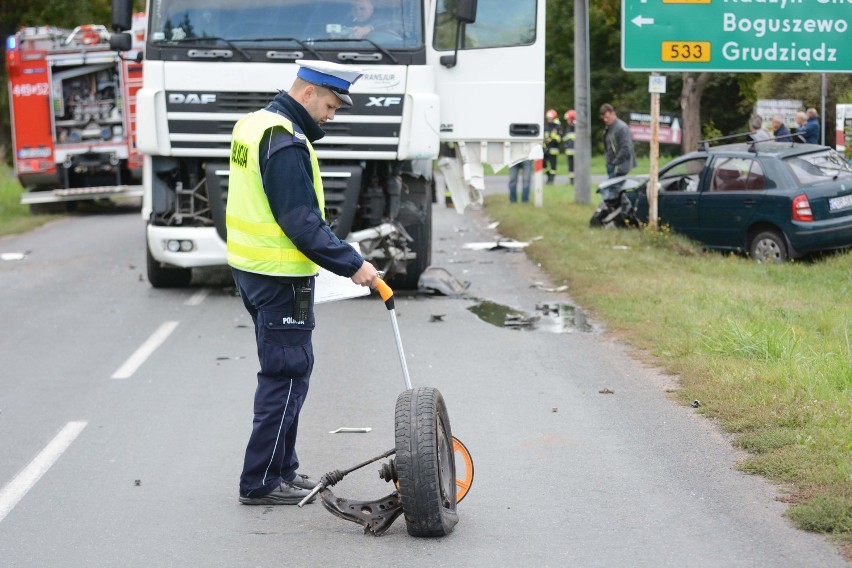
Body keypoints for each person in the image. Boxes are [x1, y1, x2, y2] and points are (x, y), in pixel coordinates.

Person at [227, 59, 380, 506]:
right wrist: (355, 265)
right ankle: (260, 482)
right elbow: (301, 223)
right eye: (330, 105)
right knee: (286, 376)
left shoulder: (254, 124)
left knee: (289, 371)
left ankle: (282, 469)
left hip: (252, 270)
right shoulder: (286, 143)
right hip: (279, 278)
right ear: (308, 92)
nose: (331, 116)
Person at [600, 103, 636, 179]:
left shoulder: (621, 128)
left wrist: (614, 163)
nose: (605, 120)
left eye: (607, 117)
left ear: (613, 114)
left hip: (620, 166)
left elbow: (626, 148)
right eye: (603, 118)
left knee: (614, 188)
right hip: (612, 164)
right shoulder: (609, 127)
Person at [543, 109, 562, 184]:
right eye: (548, 118)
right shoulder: (546, 126)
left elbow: (559, 138)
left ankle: (551, 179)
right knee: (544, 164)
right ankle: (548, 175)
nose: (549, 119)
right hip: (545, 149)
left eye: (550, 118)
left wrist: (551, 140)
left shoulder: (557, 126)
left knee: (552, 166)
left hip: (553, 149)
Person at [563, 109, 576, 184]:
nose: (567, 121)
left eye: (568, 119)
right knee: (571, 168)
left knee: (576, 167)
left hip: (576, 153)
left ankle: (577, 181)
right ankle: (571, 181)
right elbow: (565, 139)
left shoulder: (577, 129)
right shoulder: (568, 128)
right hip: (569, 152)